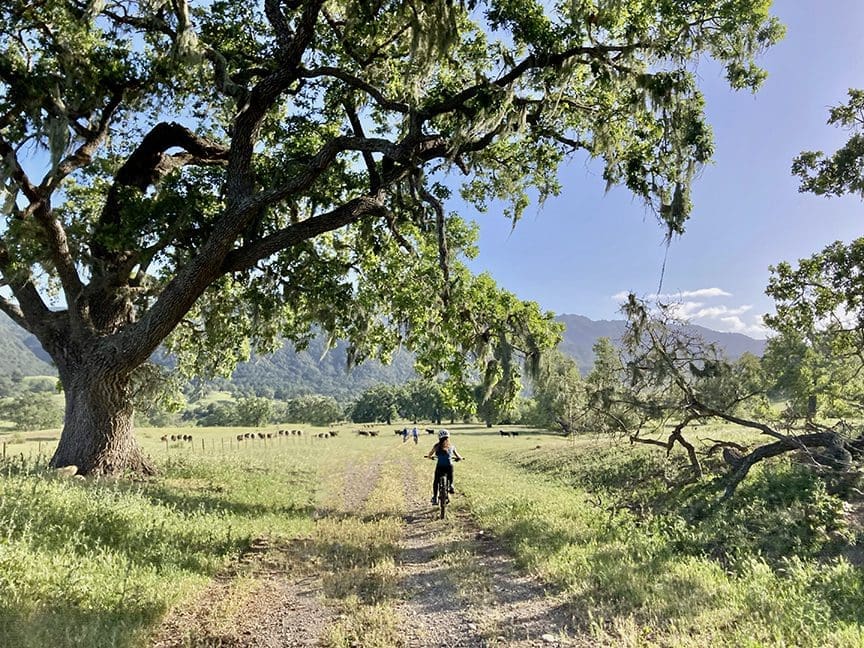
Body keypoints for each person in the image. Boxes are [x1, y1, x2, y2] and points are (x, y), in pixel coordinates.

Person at [425, 429, 463, 505]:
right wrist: (460, 458)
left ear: (439, 437)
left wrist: (429, 457)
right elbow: (458, 455)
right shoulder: (451, 446)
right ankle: (451, 485)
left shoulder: (436, 446)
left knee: (436, 481)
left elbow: (430, 454)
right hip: (449, 466)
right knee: (450, 475)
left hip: (440, 466)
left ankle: (435, 497)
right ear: (448, 437)